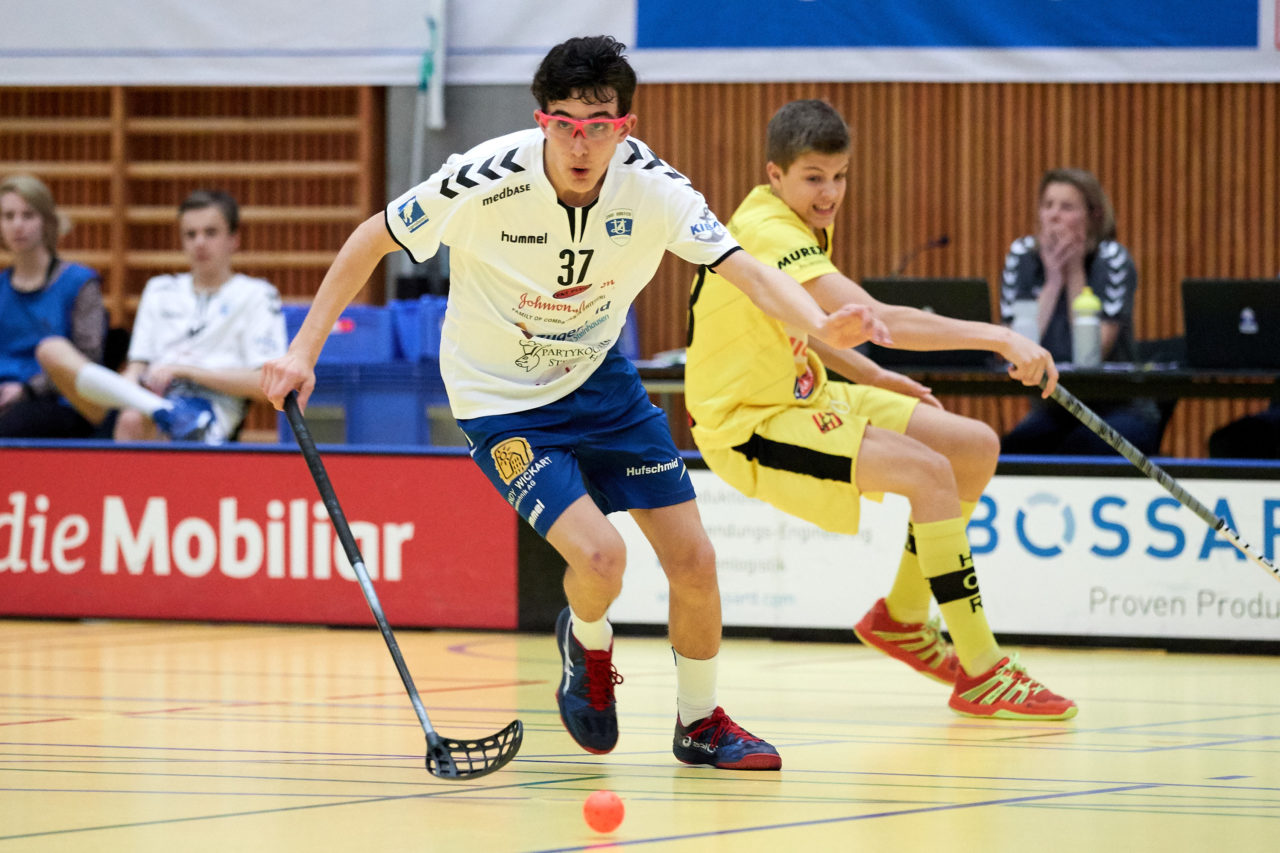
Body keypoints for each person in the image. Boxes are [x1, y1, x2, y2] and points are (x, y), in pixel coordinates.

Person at [262, 37, 885, 770]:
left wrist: (817, 325)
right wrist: (304, 349)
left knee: (696, 560)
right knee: (601, 554)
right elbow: (374, 237)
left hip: (599, 379)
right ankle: (587, 641)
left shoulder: (656, 188)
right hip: (502, 400)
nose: (580, 142)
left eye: (599, 124)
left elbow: (744, 269)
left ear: (625, 126)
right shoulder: (484, 179)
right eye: (564, 122)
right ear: (542, 120)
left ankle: (701, 722)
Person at [685, 99, 1077, 720]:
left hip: (806, 388)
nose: (829, 193)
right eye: (814, 178)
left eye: (839, 177)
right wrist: (1002, 337)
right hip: (749, 422)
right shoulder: (770, 231)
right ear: (775, 174)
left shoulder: (798, 219)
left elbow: (803, 322)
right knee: (928, 473)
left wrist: (869, 373)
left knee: (972, 446)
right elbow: (881, 320)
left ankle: (901, 617)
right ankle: (984, 669)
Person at [37, 189, 287, 443]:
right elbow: (137, 365)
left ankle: (162, 413)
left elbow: (264, 385)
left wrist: (185, 372)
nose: (199, 242)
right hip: (145, 398)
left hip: (206, 413)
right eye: (191, 234)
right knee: (50, 349)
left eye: (210, 233)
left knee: (133, 421)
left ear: (234, 240)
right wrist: (131, 381)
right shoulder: (160, 288)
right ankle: (156, 409)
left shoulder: (258, 294)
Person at [999, 167, 1163, 455]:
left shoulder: (1111, 259)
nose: (1054, 216)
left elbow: (1093, 352)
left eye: (1067, 207)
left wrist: (1074, 273)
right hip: (1055, 406)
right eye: (1048, 205)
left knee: (1081, 447)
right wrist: (1052, 281)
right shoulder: (1023, 256)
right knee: (1013, 449)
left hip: (1119, 406)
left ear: (1093, 215)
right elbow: (1017, 348)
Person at [0, 174, 107, 439]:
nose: (18, 225)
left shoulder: (79, 283)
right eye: (9, 216)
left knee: (15, 425)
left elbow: (88, 359)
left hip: (59, 400)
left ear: (47, 222)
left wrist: (28, 390)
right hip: (5, 395)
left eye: (28, 215)